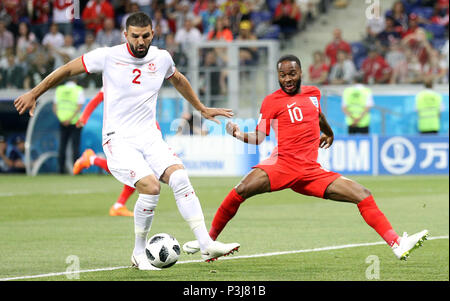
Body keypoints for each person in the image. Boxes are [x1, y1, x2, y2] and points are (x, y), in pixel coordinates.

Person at [13, 12, 240, 270]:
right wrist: (34, 92)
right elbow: (66, 70)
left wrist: (201, 108)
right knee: (151, 187)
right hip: (118, 139)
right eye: (135, 36)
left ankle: (205, 243)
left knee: (179, 177)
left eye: (145, 36)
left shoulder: (162, 58)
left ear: (153, 34)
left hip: (150, 137)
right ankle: (138, 253)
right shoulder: (108, 56)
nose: (140, 41)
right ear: (126, 36)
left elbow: (177, 78)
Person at [182, 54, 428, 261]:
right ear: (278, 77)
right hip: (282, 164)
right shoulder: (271, 101)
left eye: (292, 74)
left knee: (363, 194)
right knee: (240, 190)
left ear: (301, 73)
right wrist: (237, 133)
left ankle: (397, 244)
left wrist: (329, 133)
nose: (287, 79)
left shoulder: (314, 93)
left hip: (311, 170)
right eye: (283, 76)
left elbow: (318, 116)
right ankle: (208, 243)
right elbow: (259, 137)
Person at [73, 89, 135, 217]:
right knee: (134, 171)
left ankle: (119, 205)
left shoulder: (143, 75)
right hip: (120, 130)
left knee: (137, 171)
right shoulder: (115, 76)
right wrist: (84, 118)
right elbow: (96, 100)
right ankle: (91, 159)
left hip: (142, 127)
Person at [53, 80, 85, 174]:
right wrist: (70, 119)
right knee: (75, 147)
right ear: (75, 81)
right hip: (75, 122)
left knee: (62, 146)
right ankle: (77, 171)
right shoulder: (78, 90)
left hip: (62, 122)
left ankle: (61, 170)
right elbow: (79, 107)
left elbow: (54, 107)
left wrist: (62, 119)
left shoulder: (59, 89)